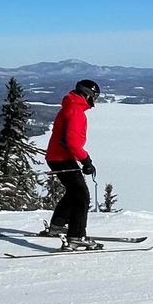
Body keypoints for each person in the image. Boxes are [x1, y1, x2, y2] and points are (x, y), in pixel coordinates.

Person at [43, 78, 100, 248]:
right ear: (88, 94)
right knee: (82, 196)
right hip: (62, 159)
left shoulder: (70, 107)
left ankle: (57, 225)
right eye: (95, 96)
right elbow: (72, 142)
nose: (95, 100)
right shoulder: (76, 111)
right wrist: (86, 160)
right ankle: (76, 236)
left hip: (56, 157)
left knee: (74, 192)